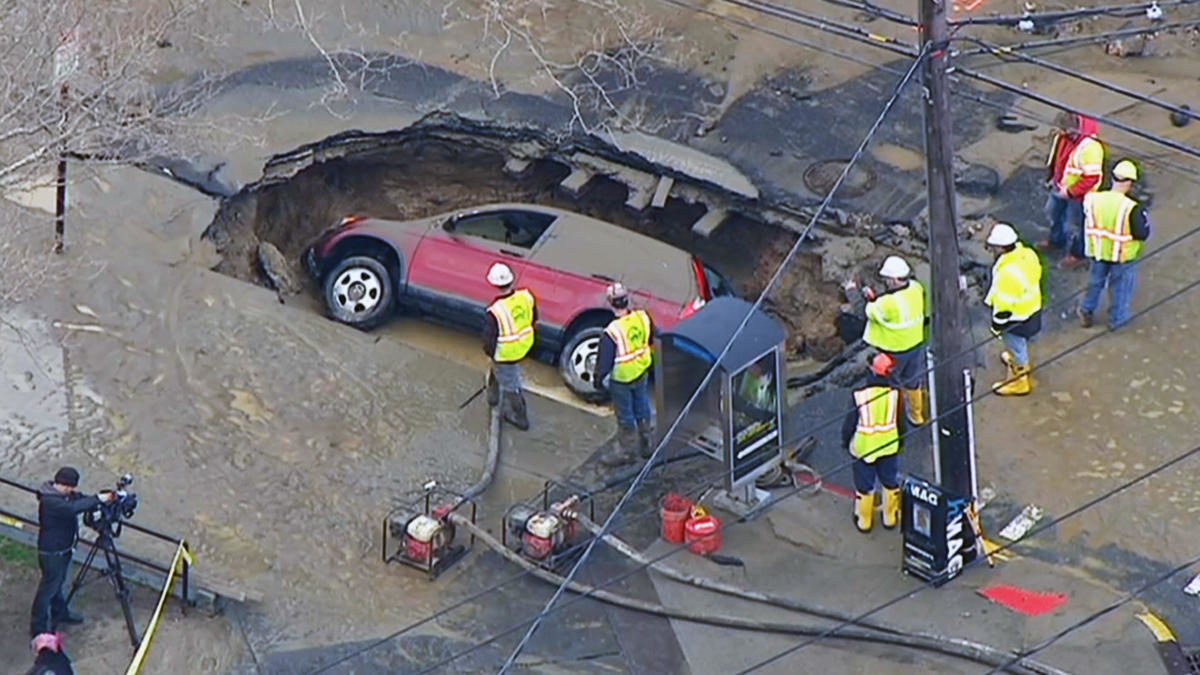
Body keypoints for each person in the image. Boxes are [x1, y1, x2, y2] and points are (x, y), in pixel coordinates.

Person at [844, 255, 928, 425]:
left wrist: (852, 291)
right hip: (916, 345)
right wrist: (873, 297)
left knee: (885, 385)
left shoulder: (888, 304)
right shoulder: (916, 288)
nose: (886, 283)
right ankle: (916, 416)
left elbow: (863, 311)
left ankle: (889, 418)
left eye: (888, 280)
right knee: (912, 381)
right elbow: (892, 304)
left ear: (895, 280)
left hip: (893, 351)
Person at [30, 467, 114, 638]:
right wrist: (99, 498)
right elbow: (73, 508)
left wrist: (99, 499)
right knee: (48, 589)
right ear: (65, 485)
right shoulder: (51, 501)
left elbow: (80, 500)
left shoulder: (62, 495)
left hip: (64, 548)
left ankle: (60, 613)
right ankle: (38, 627)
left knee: (58, 585)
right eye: (71, 487)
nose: (73, 490)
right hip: (53, 552)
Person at [1078, 159, 1150, 330]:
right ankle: (1117, 320)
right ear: (1130, 183)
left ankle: (1086, 310)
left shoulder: (1092, 199)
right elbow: (1142, 233)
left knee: (1095, 282)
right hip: (1123, 256)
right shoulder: (1132, 208)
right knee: (1121, 288)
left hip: (1098, 251)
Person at [841, 353, 906, 533]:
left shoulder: (860, 396)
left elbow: (849, 425)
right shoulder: (896, 395)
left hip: (865, 449)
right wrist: (900, 442)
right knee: (890, 482)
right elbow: (901, 423)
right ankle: (890, 517)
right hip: (889, 445)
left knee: (865, 485)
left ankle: (864, 521)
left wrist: (846, 442)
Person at [596, 283, 656, 466]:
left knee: (625, 415)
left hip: (622, 379)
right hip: (641, 371)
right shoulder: (643, 317)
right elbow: (652, 338)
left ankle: (627, 452)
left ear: (610, 303)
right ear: (627, 300)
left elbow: (604, 363)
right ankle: (646, 443)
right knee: (642, 405)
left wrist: (598, 381)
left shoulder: (612, 332)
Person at [1038, 111, 1104, 270]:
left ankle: (1078, 254)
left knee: (1078, 226)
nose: (1059, 133)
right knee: (1054, 214)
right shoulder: (1063, 138)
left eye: (1063, 131)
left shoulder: (1091, 148)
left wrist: (1070, 192)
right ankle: (1057, 240)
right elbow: (1057, 158)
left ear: (1073, 131)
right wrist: (1051, 176)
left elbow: (1092, 178)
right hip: (1060, 187)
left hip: (1079, 197)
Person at [983, 223, 1044, 397]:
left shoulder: (1007, 272)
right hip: (1032, 308)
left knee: (1016, 346)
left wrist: (997, 325)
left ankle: (1020, 381)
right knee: (1018, 346)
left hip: (1016, 317)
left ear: (1001, 247)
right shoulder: (1028, 254)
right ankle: (1017, 363)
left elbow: (1004, 305)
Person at [482, 262, 536, 430]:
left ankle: (520, 418)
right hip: (524, 345)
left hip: (506, 354)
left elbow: (490, 340)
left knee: (511, 385)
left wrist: (489, 353)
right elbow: (534, 317)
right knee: (498, 371)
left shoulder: (495, 311)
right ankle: (493, 396)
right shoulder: (526, 296)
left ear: (494, 284)